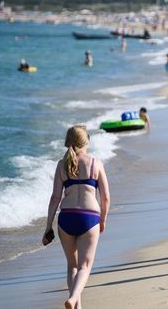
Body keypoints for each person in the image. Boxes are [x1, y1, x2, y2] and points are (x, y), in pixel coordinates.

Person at [42, 125, 111, 309]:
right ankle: (73, 299)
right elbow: (105, 197)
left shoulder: (61, 165)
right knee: (84, 267)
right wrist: (103, 220)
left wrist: (48, 226)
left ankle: (76, 306)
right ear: (86, 141)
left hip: (66, 219)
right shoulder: (95, 163)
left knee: (72, 266)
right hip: (89, 219)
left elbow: (55, 197)